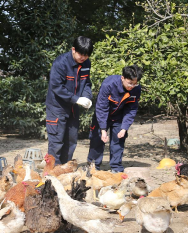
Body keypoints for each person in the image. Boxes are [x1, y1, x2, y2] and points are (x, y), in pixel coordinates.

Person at [45, 36, 93, 165]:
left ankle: (65, 169)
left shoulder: (86, 64)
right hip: (57, 107)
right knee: (57, 141)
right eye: (80, 54)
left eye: (86, 55)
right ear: (73, 49)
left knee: (71, 140)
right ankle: (53, 172)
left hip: (73, 107)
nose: (83, 58)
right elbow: (56, 87)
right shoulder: (60, 63)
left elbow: (86, 83)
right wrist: (76, 99)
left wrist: (87, 97)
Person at [87, 65, 143, 173]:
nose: (132, 86)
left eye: (135, 83)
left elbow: (131, 109)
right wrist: (103, 130)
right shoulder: (108, 84)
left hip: (119, 116)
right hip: (103, 115)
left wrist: (124, 128)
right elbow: (101, 107)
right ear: (123, 78)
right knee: (97, 138)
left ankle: (116, 167)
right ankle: (93, 166)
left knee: (118, 140)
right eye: (130, 83)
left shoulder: (136, 89)